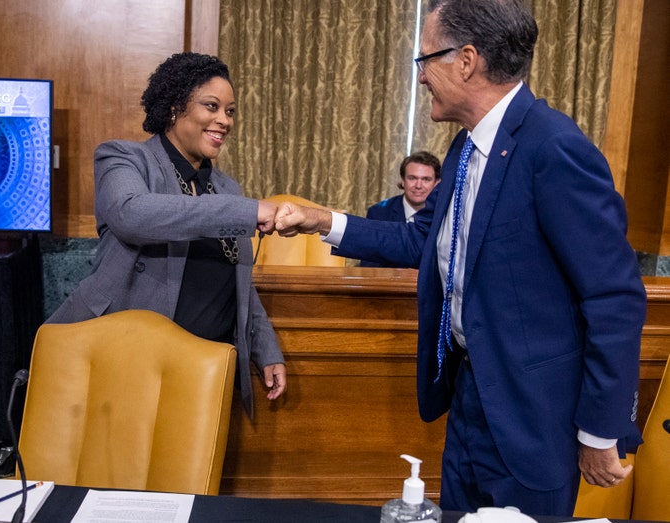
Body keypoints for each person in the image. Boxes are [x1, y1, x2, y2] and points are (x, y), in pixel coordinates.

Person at [274, 0, 645, 515]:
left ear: (466, 60)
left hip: (533, 415)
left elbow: (615, 296)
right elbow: (420, 241)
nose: (421, 76)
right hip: (470, 397)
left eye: (425, 59)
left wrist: (600, 430)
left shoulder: (553, 147)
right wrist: (321, 222)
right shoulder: (464, 148)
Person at [46, 52, 286, 417]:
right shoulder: (123, 159)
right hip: (125, 365)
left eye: (231, 111)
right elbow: (133, 214)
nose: (224, 120)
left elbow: (239, 285)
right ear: (175, 108)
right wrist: (250, 211)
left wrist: (265, 349)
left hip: (202, 374)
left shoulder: (228, 189)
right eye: (212, 106)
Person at [362, 151, 442, 267]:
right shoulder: (379, 213)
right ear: (403, 181)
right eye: (412, 178)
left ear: (436, 183)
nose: (418, 186)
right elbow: (369, 265)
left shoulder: (444, 216)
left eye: (426, 179)